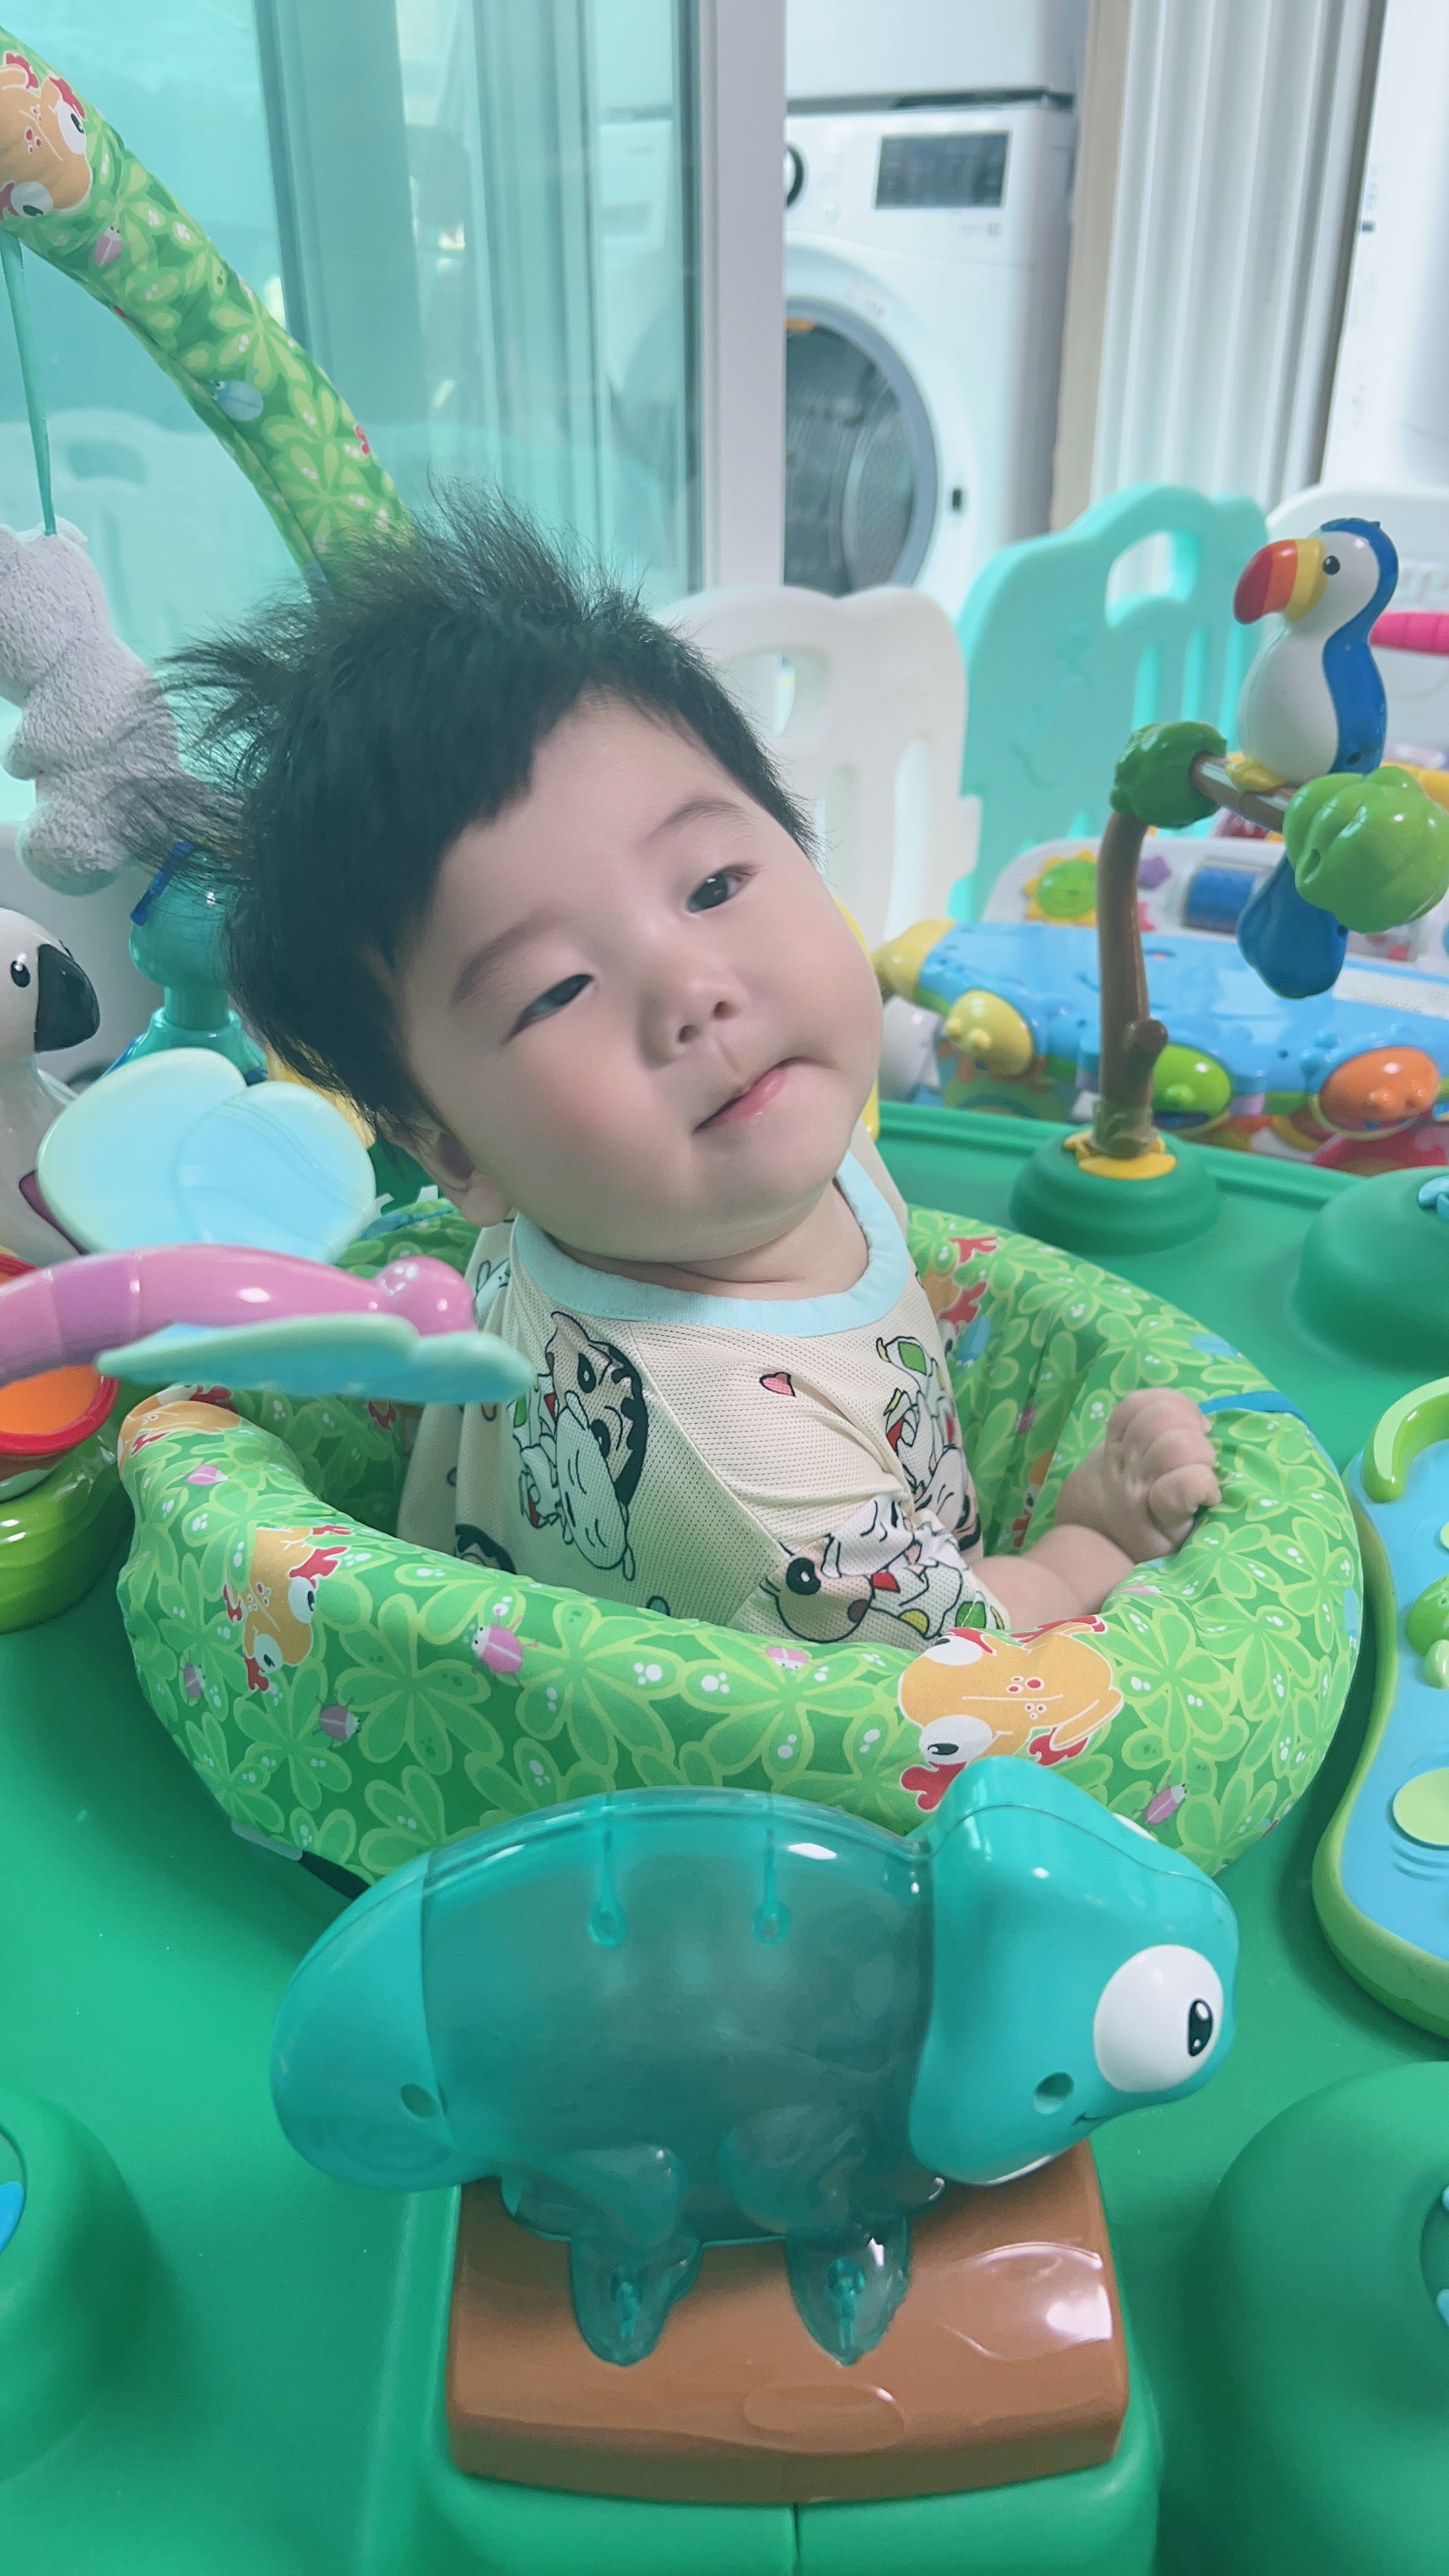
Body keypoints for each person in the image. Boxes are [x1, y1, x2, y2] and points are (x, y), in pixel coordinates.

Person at [173, 499, 1219, 1651]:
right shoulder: (749, 1480)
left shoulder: (733, 1158)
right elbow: (953, 1679)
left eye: (714, 885)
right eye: (557, 990)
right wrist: (1086, 1545)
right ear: (460, 1154)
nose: (691, 991)